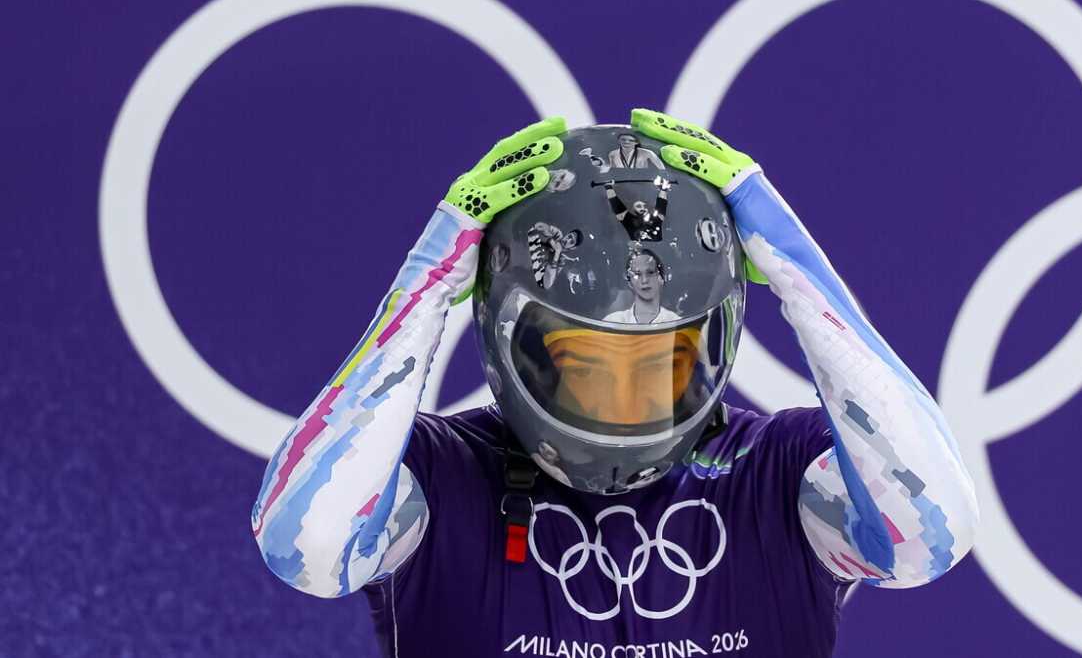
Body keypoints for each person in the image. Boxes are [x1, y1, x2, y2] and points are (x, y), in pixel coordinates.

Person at [252, 111, 979, 658]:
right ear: (515, 345)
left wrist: (796, 267)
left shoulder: (775, 474)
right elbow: (307, 544)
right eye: (588, 367)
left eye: (664, 365)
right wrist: (426, 284)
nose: (630, 404)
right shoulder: (441, 479)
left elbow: (929, 534)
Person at [603, 249, 680, 323]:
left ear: (661, 278)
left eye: (650, 272)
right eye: (637, 274)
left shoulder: (675, 322)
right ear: (630, 283)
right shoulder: (613, 322)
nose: (644, 280)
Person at [606, 176, 669, 241]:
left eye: (644, 205)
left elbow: (662, 204)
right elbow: (615, 203)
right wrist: (608, 187)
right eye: (639, 206)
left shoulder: (655, 219)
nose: (643, 208)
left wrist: (664, 189)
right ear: (633, 209)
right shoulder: (628, 219)